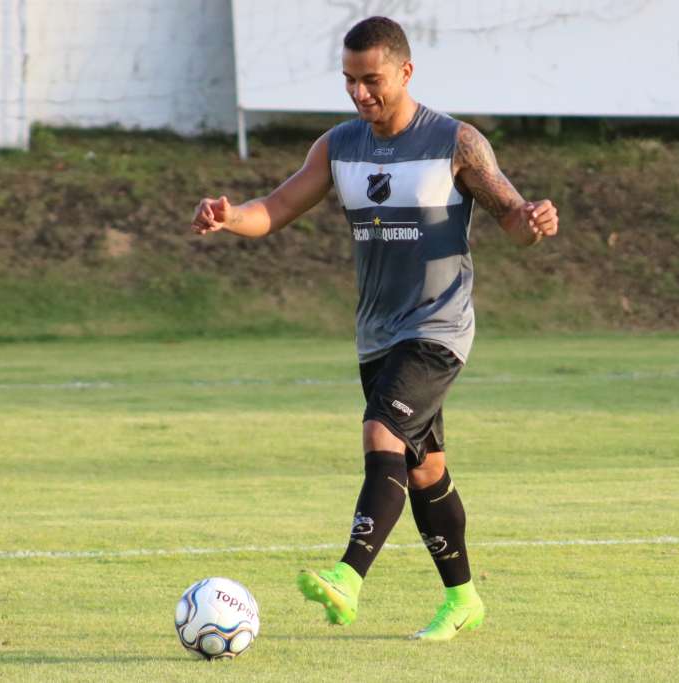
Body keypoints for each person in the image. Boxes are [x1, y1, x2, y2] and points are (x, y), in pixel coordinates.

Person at [190, 16, 558, 641]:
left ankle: (348, 577)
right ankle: (463, 599)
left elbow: (512, 217)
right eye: (349, 80)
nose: (360, 93)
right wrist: (229, 217)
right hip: (378, 334)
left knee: (382, 431)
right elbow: (276, 208)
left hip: (438, 327)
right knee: (424, 469)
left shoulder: (455, 142)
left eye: (372, 80)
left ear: (405, 72)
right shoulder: (338, 146)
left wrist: (534, 221)